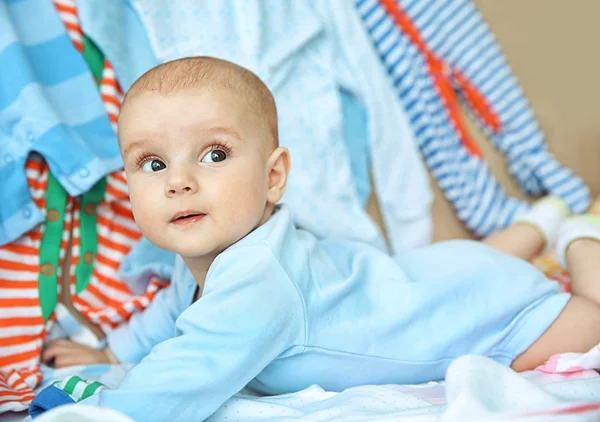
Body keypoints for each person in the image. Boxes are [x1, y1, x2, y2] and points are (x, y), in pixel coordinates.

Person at [39, 57, 600, 421]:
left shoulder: (259, 283)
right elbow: (171, 312)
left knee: (590, 316)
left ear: (273, 176)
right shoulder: (209, 259)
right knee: (460, 265)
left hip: (489, 312)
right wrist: (109, 351)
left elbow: (180, 380)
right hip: (438, 274)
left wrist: (100, 409)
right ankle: (533, 229)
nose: (179, 180)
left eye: (214, 154)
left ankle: (578, 236)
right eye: (153, 162)